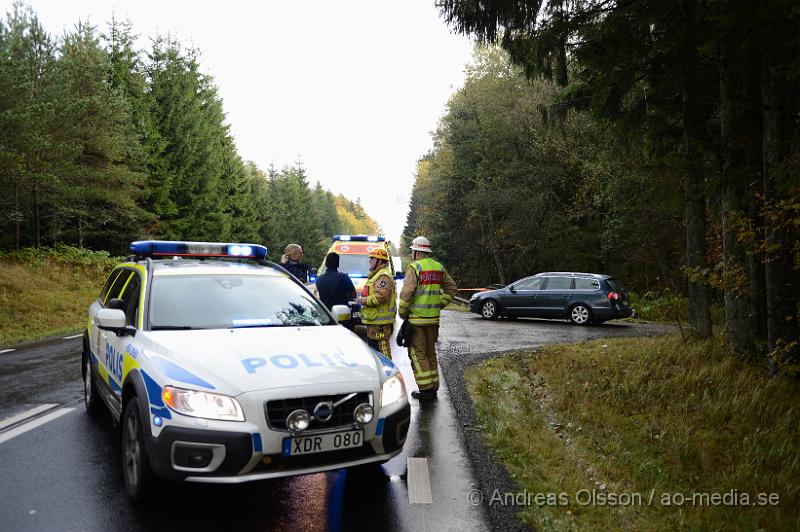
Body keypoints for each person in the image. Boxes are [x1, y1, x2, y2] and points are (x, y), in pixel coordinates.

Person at [398, 236, 458, 401]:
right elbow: (452, 288)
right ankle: (433, 387)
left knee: (418, 354)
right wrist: (439, 304)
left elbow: (407, 294)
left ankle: (425, 390)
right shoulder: (438, 267)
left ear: (417, 252)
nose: (412, 254)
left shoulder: (415, 267)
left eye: (412, 251)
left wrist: (403, 313)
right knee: (431, 352)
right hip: (433, 320)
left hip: (417, 321)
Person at [356, 247, 396, 359]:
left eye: (372, 258)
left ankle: (390, 374)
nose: (370, 261)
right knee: (376, 355)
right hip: (375, 323)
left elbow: (381, 296)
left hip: (381, 325)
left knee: (383, 354)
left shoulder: (383, 276)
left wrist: (362, 300)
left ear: (380, 261)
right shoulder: (376, 275)